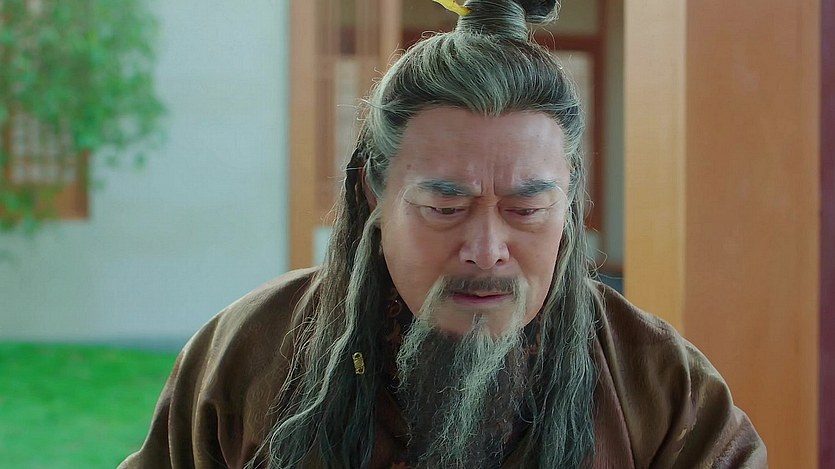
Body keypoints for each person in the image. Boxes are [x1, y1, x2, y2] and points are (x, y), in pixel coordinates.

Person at [121, 0, 767, 467]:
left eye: (525, 209)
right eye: (444, 205)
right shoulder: (249, 355)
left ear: (567, 201)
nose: (485, 251)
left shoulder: (662, 389)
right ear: (374, 193)